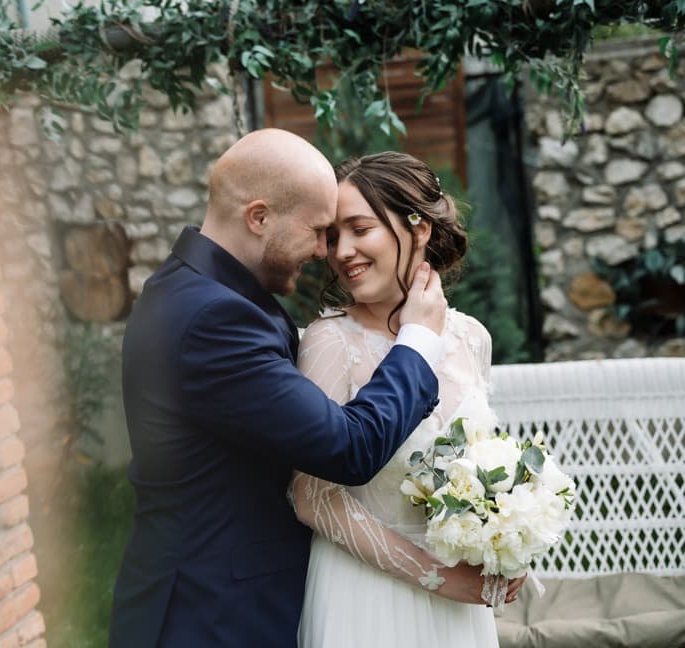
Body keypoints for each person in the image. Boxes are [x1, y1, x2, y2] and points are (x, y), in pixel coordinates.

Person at [109, 130, 447, 648]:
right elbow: (348, 447)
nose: (323, 251)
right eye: (317, 231)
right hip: (210, 618)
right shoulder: (211, 318)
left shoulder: (201, 294)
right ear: (259, 217)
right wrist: (419, 337)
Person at [293, 151, 524, 648]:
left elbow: (483, 470)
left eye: (360, 228)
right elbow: (312, 498)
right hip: (364, 598)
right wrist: (437, 577)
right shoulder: (329, 342)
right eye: (333, 235)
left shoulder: (471, 337)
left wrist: (506, 540)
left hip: (459, 611)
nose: (342, 250)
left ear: (418, 229)